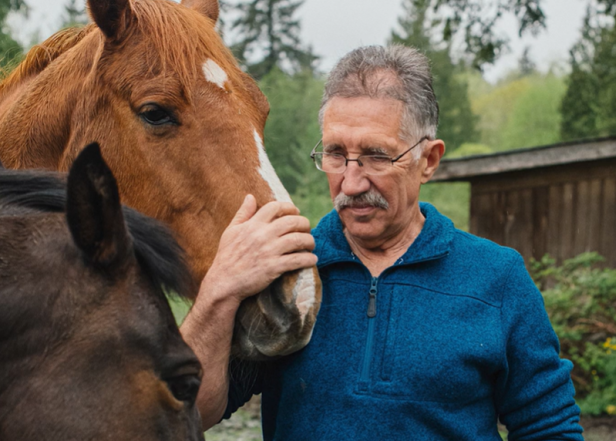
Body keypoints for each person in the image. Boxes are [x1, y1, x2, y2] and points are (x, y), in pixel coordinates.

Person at [181, 45, 584, 440]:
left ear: (428, 160)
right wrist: (219, 290)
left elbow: (549, 427)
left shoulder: (496, 278)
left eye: (377, 156)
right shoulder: (287, 271)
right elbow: (186, 413)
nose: (351, 183)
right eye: (336, 154)